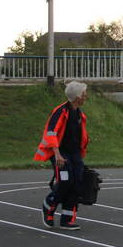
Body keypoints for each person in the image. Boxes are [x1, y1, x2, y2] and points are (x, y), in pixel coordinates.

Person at [35, 81, 89, 230]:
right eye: (84, 94)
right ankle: (49, 206)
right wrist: (57, 154)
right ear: (77, 97)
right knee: (65, 181)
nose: (86, 96)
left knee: (77, 182)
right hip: (60, 153)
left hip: (74, 154)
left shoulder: (79, 113)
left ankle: (67, 219)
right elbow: (51, 133)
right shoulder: (60, 111)